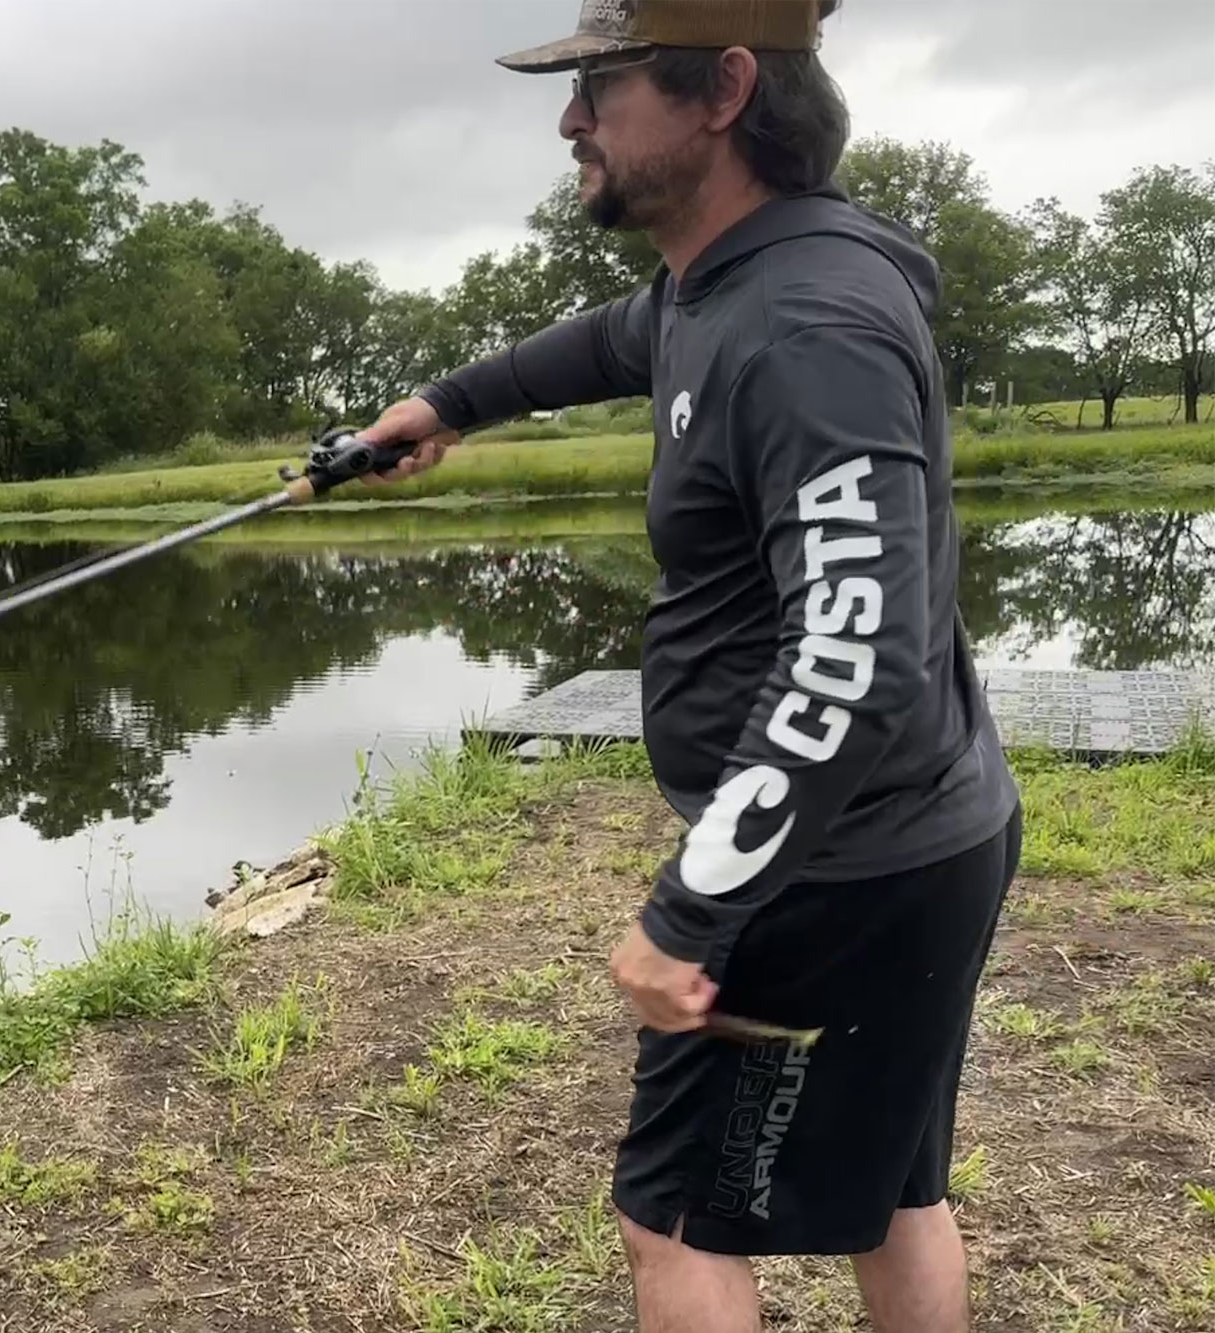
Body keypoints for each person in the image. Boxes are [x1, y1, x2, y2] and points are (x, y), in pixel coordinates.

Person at [356, 2, 1023, 1330]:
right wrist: (444, 406)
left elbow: (855, 649)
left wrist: (692, 908)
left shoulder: (805, 327)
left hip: (831, 871)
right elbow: (617, 338)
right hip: (922, 832)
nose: (569, 123)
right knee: (895, 1183)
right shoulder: (726, 282)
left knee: (671, 1219)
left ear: (723, 90)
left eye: (600, 90)